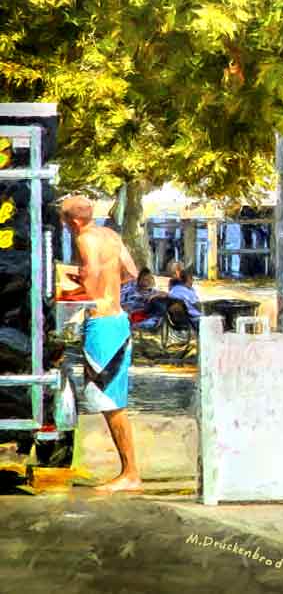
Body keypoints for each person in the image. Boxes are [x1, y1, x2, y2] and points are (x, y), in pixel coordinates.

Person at [60, 195, 141, 493]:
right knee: (112, 401)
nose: (65, 227)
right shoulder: (111, 235)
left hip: (102, 324)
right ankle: (129, 472)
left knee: (111, 404)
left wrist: (75, 285)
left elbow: (91, 274)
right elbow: (131, 272)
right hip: (119, 320)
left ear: (74, 221)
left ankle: (130, 474)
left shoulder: (84, 238)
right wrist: (109, 286)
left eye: (65, 222)